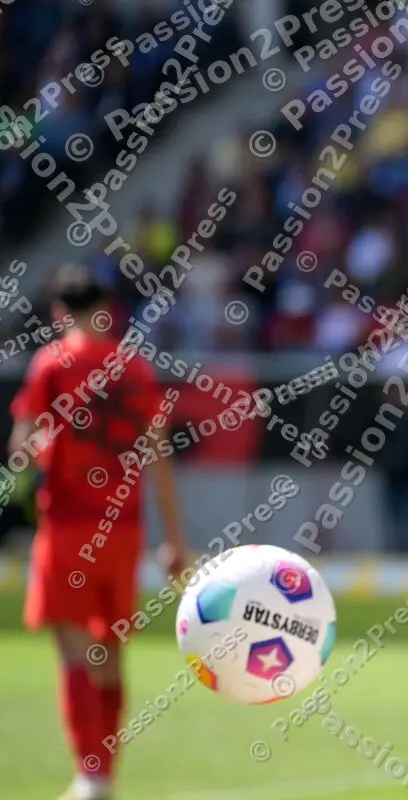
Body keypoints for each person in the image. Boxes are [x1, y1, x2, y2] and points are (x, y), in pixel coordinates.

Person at [13, 266, 187, 800]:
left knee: (73, 651)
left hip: (69, 525)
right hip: (125, 529)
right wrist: (174, 538)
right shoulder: (134, 367)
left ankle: (89, 775)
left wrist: (30, 458)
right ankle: (104, 772)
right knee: (108, 654)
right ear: (107, 308)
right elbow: (159, 457)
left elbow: (25, 445)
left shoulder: (52, 363)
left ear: (59, 313)